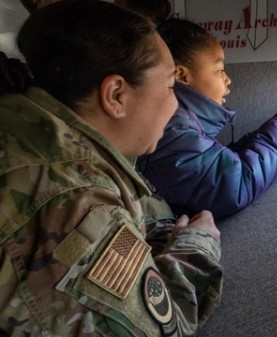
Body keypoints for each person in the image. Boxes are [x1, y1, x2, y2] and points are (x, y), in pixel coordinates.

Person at [0, 1, 222, 336]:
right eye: (170, 87)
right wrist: (199, 243)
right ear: (116, 95)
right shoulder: (74, 202)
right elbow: (162, 329)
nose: (175, 103)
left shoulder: (26, 118)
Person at [137, 18, 277, 219]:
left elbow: (213, 165)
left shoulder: (178, 124)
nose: (227, 78)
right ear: (181, 75)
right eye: (219, 70)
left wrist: (256, 138)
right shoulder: (173, 132)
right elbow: (236, 186)